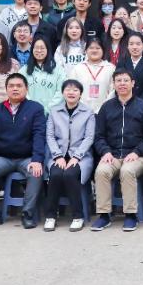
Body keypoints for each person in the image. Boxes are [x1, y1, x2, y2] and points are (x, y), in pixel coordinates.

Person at [0, 73, 46, 229]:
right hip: (3, 158)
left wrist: (37, 160)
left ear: (26, 89)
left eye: (19, 86)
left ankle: (27, 214)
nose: (15, 89)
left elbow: (39, 135)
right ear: (6, 89)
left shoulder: (35, 108)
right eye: (11, 86)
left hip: (27, 158)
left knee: (36, 172)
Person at [91, 69, 143, 232]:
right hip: (112, 155)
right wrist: (105, 152)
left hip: (137, 156)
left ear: (133, 83)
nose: (122, 84)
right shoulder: (106, 107)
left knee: (127, 171)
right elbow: (98, 136)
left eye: (125, 80)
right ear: (113, 84)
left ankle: (130, 215)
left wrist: (137, 152)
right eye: (118, 81)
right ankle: (104, 215)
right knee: (101, 171)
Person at [43, 79, 96, 232]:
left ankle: (78, 216)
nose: (71, 92)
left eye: (75, 90)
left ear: (80, 94)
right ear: (63, 93)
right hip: (58, 155)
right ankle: (51, 216)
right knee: (55, 174)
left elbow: (89, 138)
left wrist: (77, 157)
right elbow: (50, 136)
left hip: (81, 157)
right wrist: (57, 156)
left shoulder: (88, 113)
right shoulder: (54, 111)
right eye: (68, 89)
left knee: (70, 175)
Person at [18, 38, 65, 114]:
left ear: (48, 50)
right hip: (29, 113)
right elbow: (21, 91)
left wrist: (47, 109)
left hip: (53, 114)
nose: (39, 50)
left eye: (42, 48)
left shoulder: (59, 70)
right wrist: (33, 109)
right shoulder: (23, 71)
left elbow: (61, 92)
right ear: (32, 50)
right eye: (36, 48)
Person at [70, 39, 116, 113]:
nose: (94, 51)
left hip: (105, 111)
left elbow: (113, 90)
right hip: (81, 110)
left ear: (103, 50)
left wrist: (104, 107)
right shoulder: (78, 68)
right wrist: (81, 106)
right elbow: (72, 89)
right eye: (91, 48)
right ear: (85, 50)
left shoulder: (110, 68)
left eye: (98, 48)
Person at [118, 32, 143, 104]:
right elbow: (118, 83)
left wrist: (138, 103)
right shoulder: (121, 63)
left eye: (138, 44)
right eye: (131, 44)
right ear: (127, 46)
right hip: (124, 102)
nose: (134, 47)